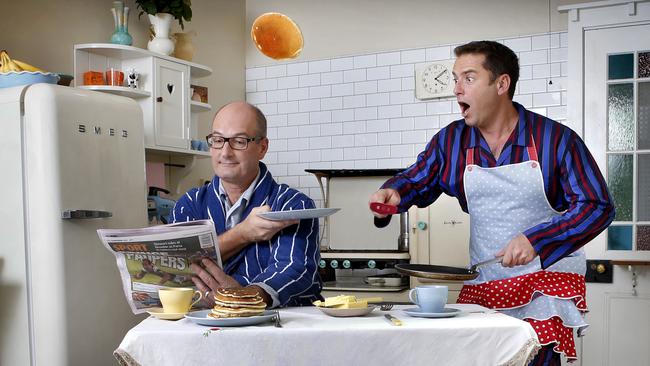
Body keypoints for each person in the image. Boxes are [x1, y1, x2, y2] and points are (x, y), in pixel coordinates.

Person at [369, 41, 614, 365]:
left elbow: (596, 205)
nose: (457, 89)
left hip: (546, 279)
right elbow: (418, 179)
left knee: (533, 357)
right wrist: (395, 193)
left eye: (468, 78)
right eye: (456, 79)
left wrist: (537, 240)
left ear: (502, 84)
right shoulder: (451, 141)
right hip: (486, 278)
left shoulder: (555, 140)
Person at [172, 101, 322, 308]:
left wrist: (243, 298)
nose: (225, 152)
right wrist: (242, 233)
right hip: (204, 328)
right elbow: (175, 269)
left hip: (276, 330)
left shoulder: (293, 204)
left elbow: (294, 270)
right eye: (217, 140)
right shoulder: (188, 205)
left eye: (239, 141)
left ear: (262, 147)